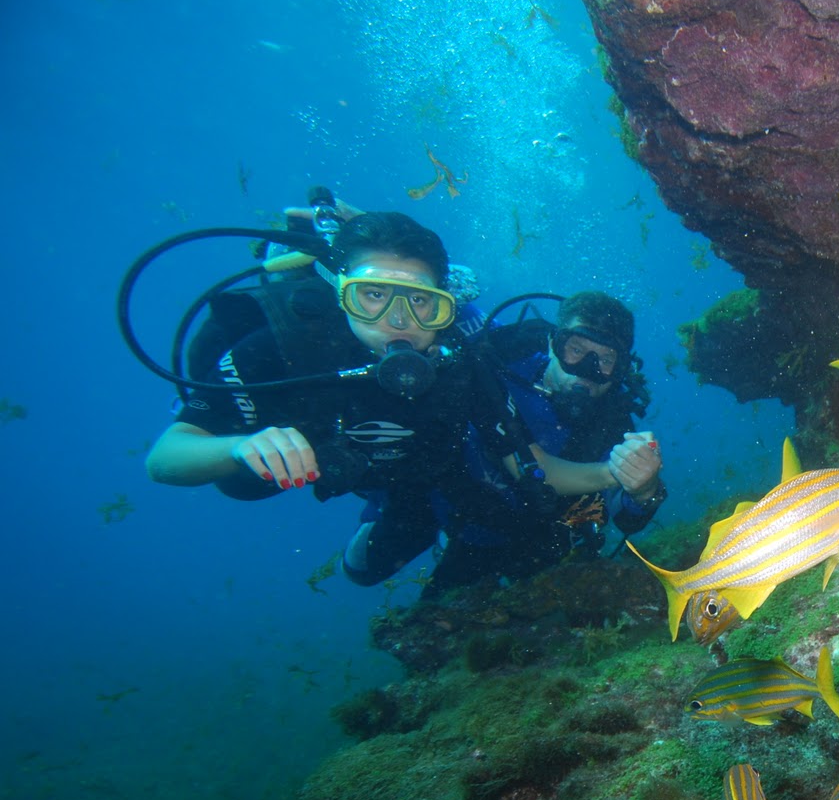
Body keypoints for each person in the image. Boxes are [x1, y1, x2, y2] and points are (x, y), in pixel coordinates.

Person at [146, 211, 665, 591]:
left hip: (424, 478)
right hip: (368, 474)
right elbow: (166, 458)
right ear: (340, 290)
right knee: (361, 569)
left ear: (443, 305)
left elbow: (530, 466)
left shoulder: (461, 366)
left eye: (421, 301)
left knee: (388, 559)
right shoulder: (283, 349)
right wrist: (237, 447)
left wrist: (623, 478)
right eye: (372, 295)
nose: (398, 320)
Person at [340, 289, 668, 590]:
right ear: (553, 343)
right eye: (576, 350)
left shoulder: (612, 424)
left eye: (605, 360)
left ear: (621, 368)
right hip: (436, 496)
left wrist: (644, 490)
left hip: (516, 531)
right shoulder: (496, 363)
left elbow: (626, 517)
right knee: (361, 570)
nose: (586, 370)